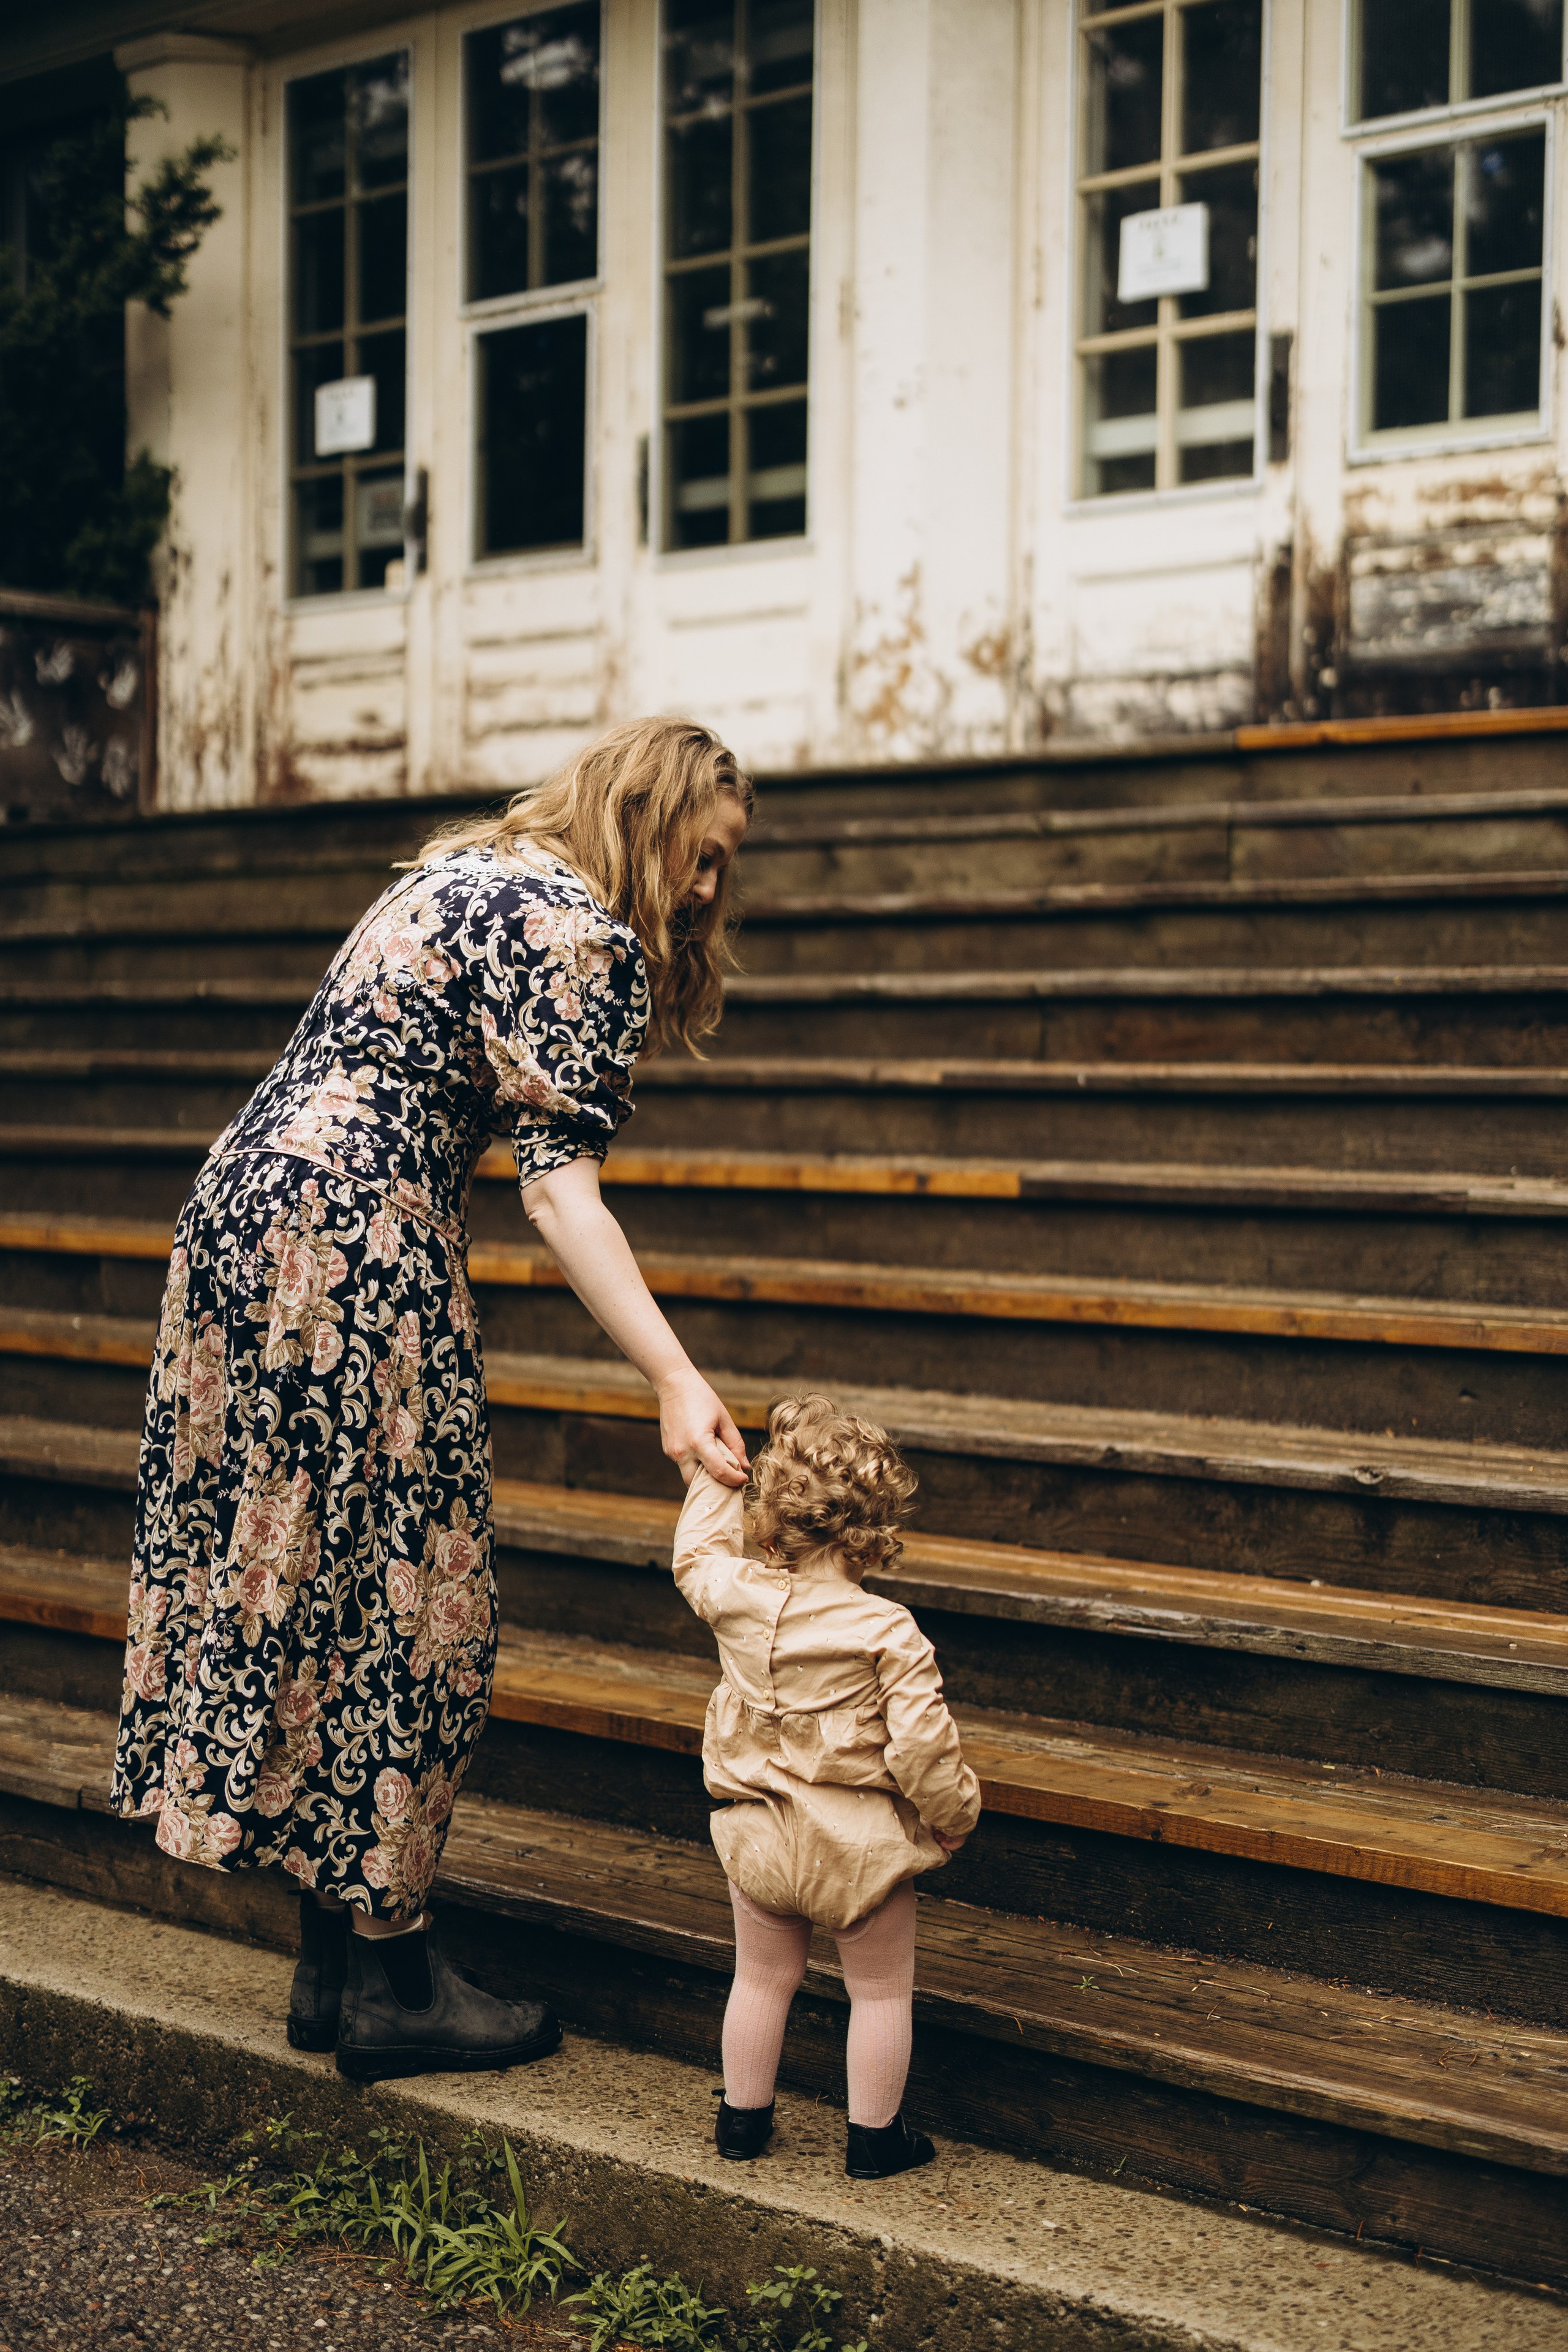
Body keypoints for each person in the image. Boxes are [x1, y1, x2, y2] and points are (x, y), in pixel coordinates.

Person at [111, 717, 752, 2083]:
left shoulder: (457, 871)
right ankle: (394, 1978)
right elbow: (557, 1188)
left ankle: (329, 1966)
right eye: (702, 861)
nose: (705, 895)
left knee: (309, 1582)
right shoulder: (581, 937)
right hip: (352, 1243)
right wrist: (675, 1379)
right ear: (648, 822)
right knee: (418, 1599)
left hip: (235, 1214)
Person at [671, 1394, 981, 2180]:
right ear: (873, 1529)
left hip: (759, 1840)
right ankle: (876, 2140)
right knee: (879, 1994)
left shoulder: (732, 1595)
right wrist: (954, 1819)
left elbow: (695, 1556)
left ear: (772, 1516)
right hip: (859, 1851)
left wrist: (712, 1477)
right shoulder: (888, 1633)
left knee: (760, 1978)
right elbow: (922, 1750)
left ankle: (742, 2122)